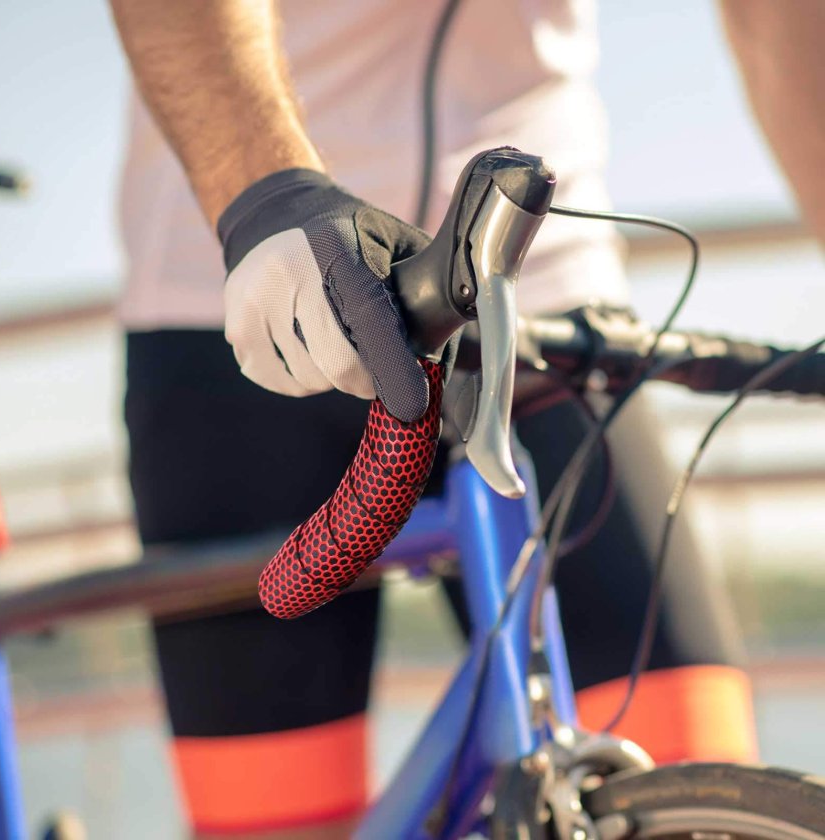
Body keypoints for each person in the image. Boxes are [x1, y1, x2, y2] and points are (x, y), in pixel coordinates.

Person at [109, 0, 824, 837]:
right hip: (256, 290)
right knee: (277, 825)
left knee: (697, 788)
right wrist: (262, 192)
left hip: (537, 289)